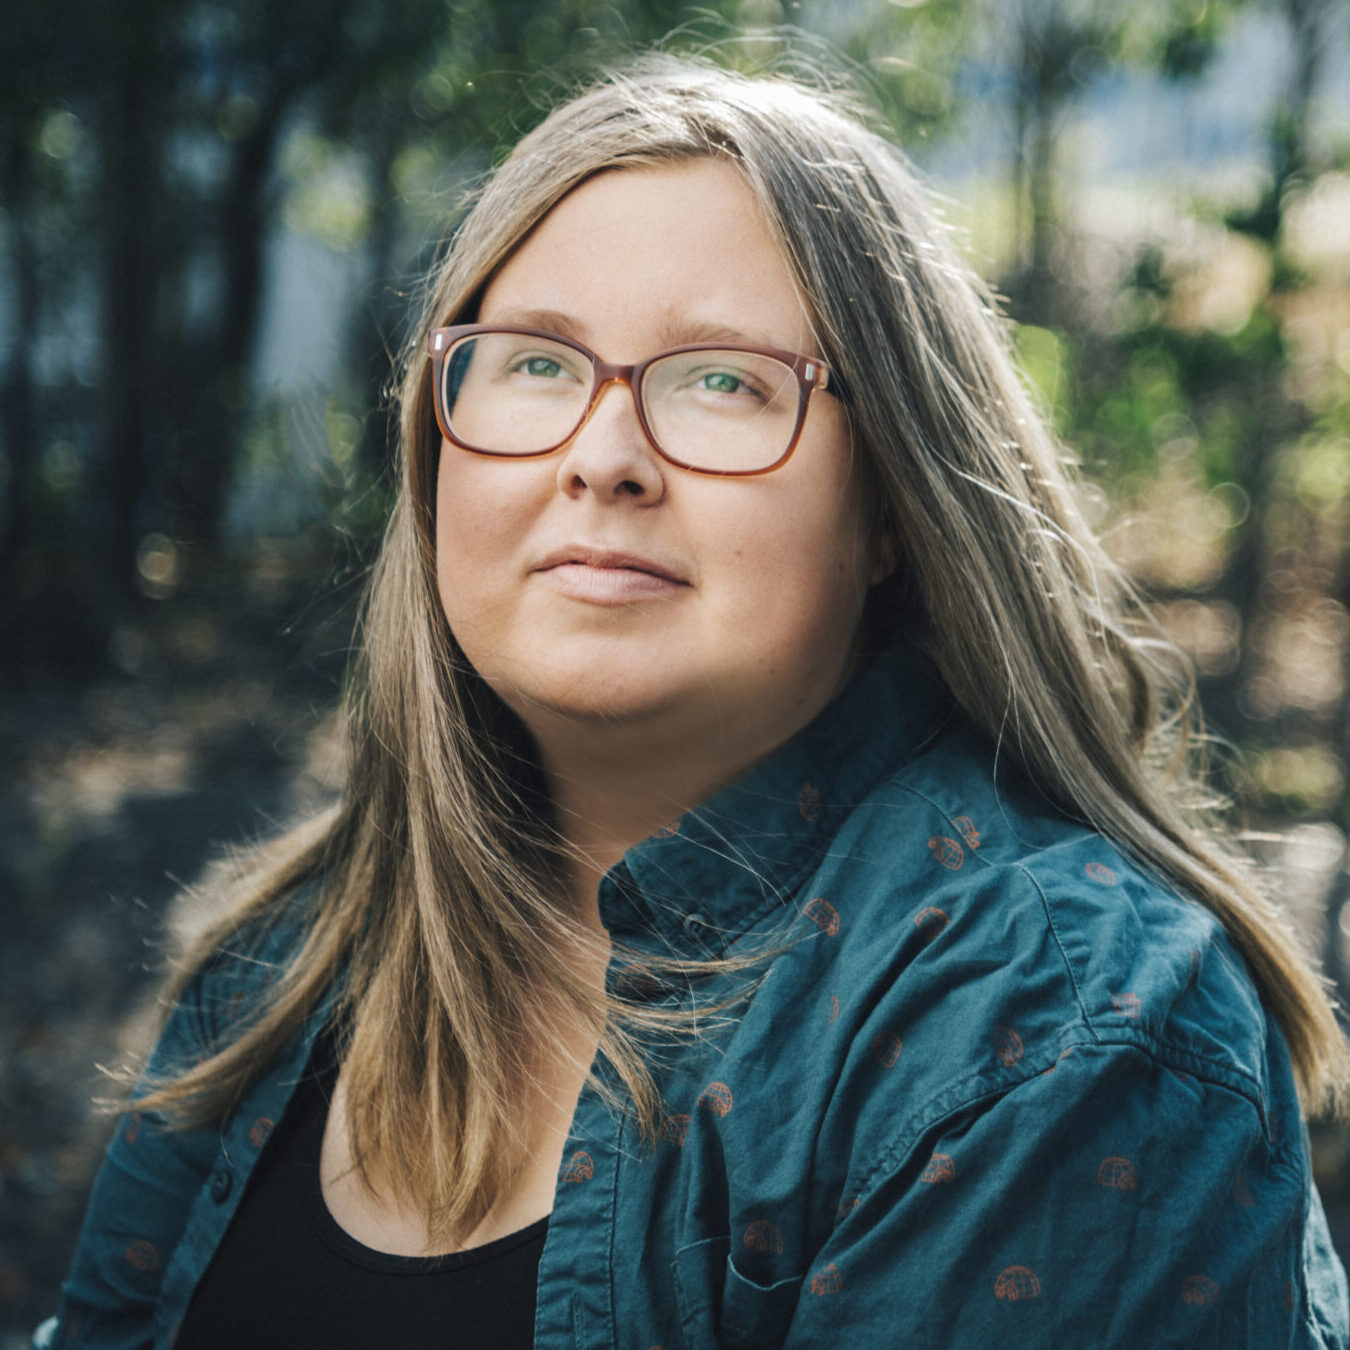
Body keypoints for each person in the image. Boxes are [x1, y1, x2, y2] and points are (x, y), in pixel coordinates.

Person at [39, 54, 1350, 1349]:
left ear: (893, 502)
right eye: (536, 365)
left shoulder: (1055, 1022)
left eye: (723, 378)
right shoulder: (286, 958)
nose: (601, 458)